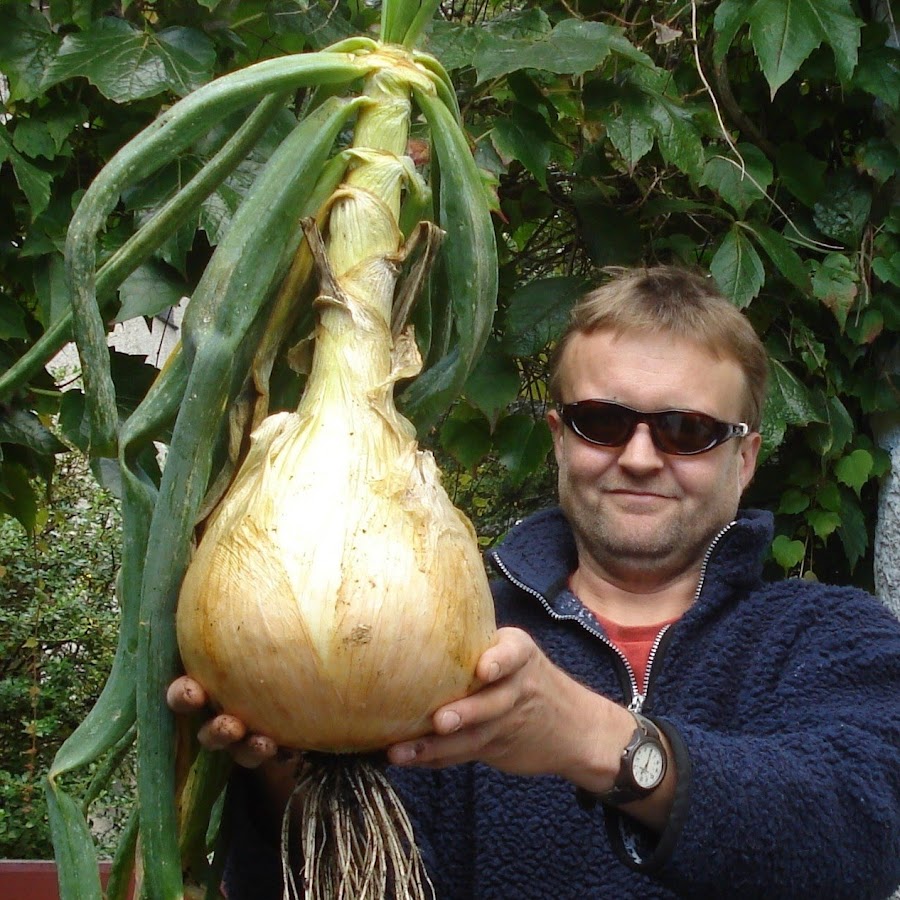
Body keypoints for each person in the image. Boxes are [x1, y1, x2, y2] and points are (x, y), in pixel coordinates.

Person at [170, 265, 900, 899]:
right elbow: (344, 882)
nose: (641, 457)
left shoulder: (828, 634)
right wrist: (288, 758)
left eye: (686, 430)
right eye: (602, 421)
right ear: (559, 436)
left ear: (743, 459)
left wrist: (591, 739)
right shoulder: (446, 640)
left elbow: (865, 831)